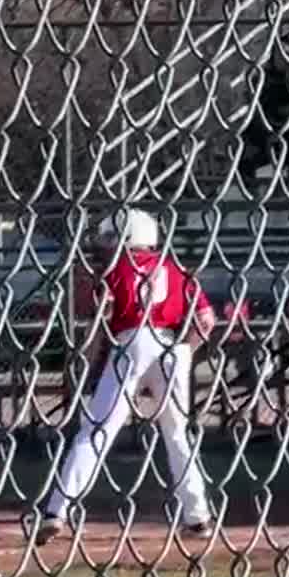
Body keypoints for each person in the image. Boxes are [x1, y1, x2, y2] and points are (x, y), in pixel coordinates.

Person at [39, 209, 215, 540]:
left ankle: (56, 510)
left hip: (130, 341)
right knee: (178, 435)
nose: (106, 247)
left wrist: (90, 366)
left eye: (111, 240)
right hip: (171, 345)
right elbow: (206, 320)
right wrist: (183, 355)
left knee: (96, 431)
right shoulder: (176, 270)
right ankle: (198, 516)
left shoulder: (116, 270)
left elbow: (103, 321)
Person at [238, 33, 289, 199]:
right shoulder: (263, 77)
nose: (284, 58)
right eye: (280, 53)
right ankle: (251, 193)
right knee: (244, 153)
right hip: (266, 128)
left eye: (288, 54)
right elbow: (256, 105)